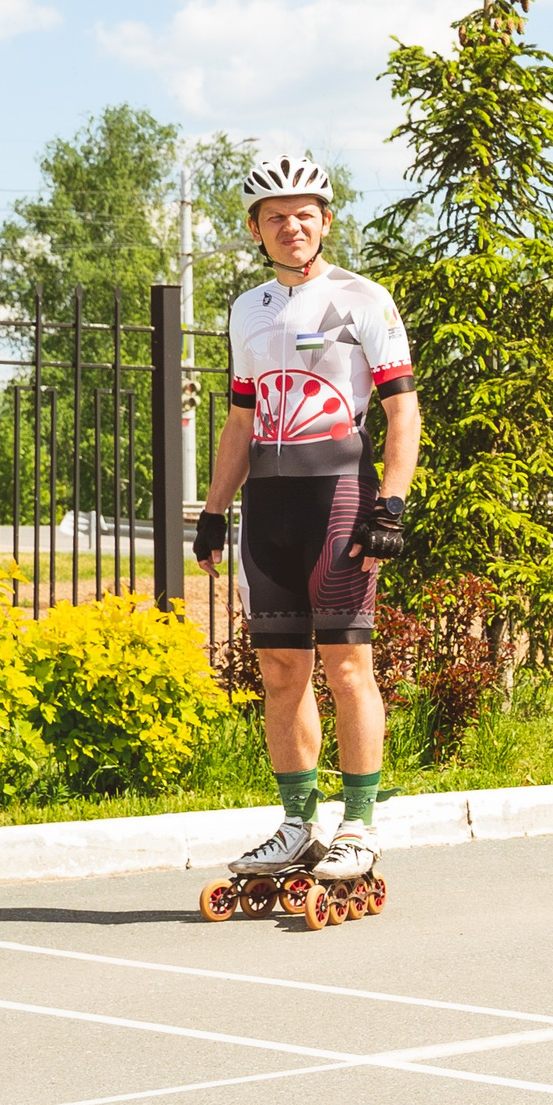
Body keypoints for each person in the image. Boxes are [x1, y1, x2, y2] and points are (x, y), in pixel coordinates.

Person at [196, 156, 421, 881]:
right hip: (268, 508)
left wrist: (391, 503)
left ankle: (359, 825)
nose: (291, 226)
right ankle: (298, 825)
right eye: (275, 217)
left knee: (348, 665)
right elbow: (240, 420)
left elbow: (401, 410)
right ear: (256, 229)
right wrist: (211, 510)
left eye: (304, 214)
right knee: (279, 667)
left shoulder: (364, 299)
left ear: (325, 220)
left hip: (341, 500)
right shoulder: (246, 309)